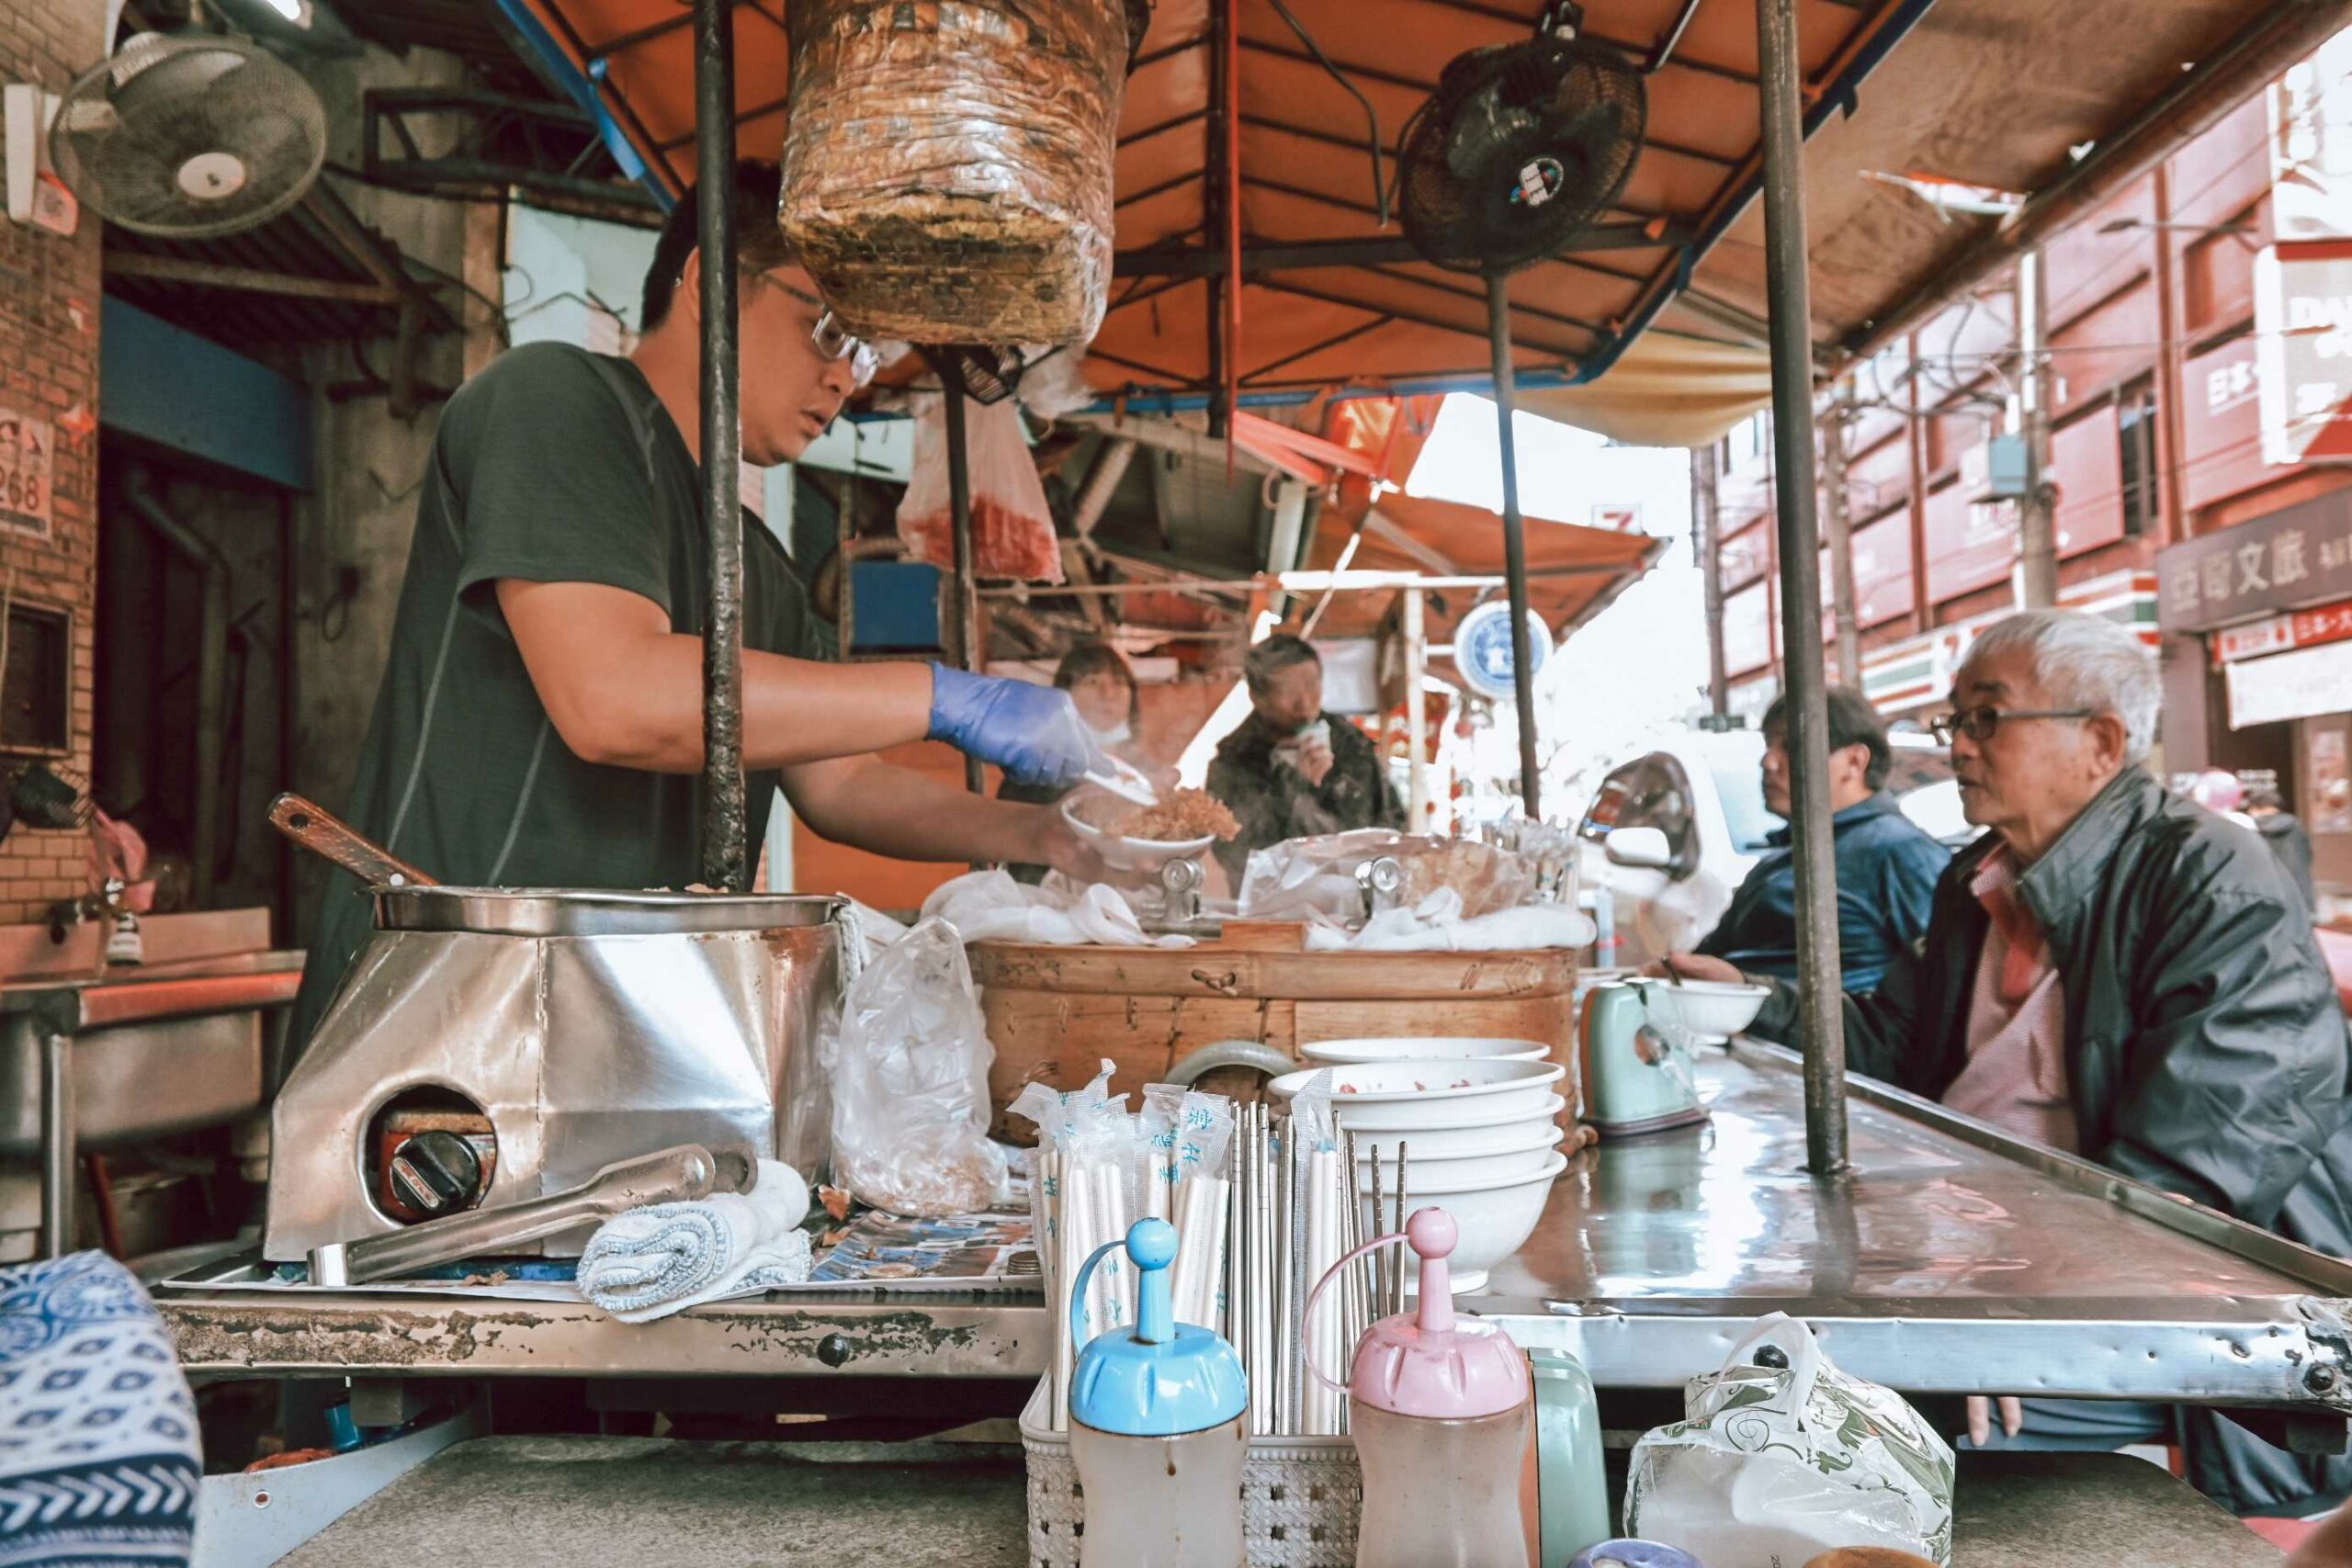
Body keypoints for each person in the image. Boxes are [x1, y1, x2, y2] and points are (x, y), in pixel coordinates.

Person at [288, 160, 1104, 1055]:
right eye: (828, 329)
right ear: (712, 286)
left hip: (613, 1020)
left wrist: (1044, 834)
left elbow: (843, 781)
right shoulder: (556, 402)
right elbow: (618, 702)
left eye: (865, 354)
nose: (846, 381)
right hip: (451, 1011)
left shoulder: (758, 564)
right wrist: (946, 697)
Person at [1661, 609, 2352, 1519]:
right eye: (1954, 722)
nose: (1957, 747)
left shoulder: (2206, 875)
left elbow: (2197, 1171)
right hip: (1986, 1257)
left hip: (2175, 1309)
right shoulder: (1977, 881)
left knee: (1842, 1421)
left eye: (1986, 718)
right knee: (1738, 1358)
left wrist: (2016, 1320)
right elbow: (1891, 1046)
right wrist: (1755, 999)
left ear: (2100, 741)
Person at [1657, 687, 1948, 993]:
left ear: (1855, 761)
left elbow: (1940, 985)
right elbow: (1705, 960)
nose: (1768, 762)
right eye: (1769, 745)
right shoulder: (1780, 861)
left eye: (1791, 747)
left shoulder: (1902, 853)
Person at [1204, 635, 1405, 884]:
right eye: (1288, 690)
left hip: (1355, 897)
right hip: (1271, 909)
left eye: (1312, 685)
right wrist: (1293, 786)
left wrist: (1330, 786)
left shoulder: (1352, 745)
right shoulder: (1235, 760)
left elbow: (1391, 823)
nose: (1305, 702)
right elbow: (1234, 854)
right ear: (1257, 697)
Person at [1000, 642, 1168, 882]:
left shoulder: (1145, 774)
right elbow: (1012, 851)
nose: (1108, 694)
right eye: (1092, 682)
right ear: (1064, 694)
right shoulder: (1036, 766)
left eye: (1118, 682)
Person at [2247, 780, 2319, 909]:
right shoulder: (2296, 827)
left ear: (2255, 807)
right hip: (2299, 894)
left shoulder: (2250, 830)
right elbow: (2307, 856)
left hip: (2267, 898)